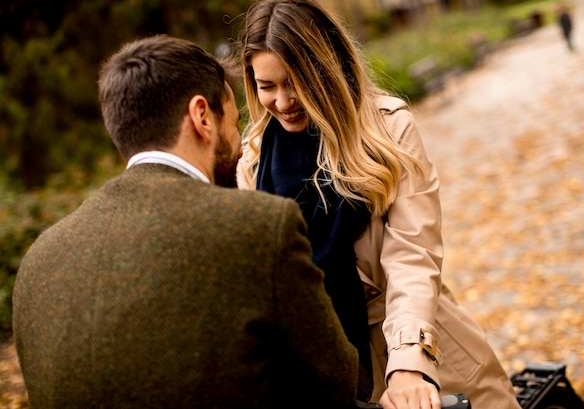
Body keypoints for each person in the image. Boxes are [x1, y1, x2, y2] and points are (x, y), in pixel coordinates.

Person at [12, 34, 359, 409]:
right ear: (201, 117)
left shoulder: (37, 262)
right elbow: (334, 383)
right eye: (233, 120)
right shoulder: (256, 226)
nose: (240, 143)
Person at [237, 0, 521, 409]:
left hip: (414, 345)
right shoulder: (254, 160)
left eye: (294, 82)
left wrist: (408, 364)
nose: (282, 101)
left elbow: (413, 253)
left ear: (325, 68)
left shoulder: (387, 130)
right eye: (267, 86)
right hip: (324, 371)